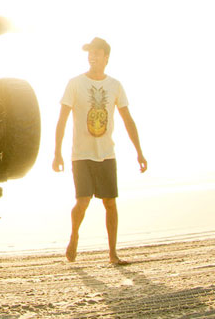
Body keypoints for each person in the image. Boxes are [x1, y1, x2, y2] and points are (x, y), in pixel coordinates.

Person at [53, 37, 148, 265]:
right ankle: (74, 235)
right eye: (90, 53)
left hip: (107, 153)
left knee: (110, 203)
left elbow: (127, 119)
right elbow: (62, 119)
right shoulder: (75, 83)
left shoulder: (115, 86)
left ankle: (113, 253)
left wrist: (139, 152)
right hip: (81, 154)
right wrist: (57, 152)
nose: (92, 57)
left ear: (106, 57)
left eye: (97, 53)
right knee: (83, 200)